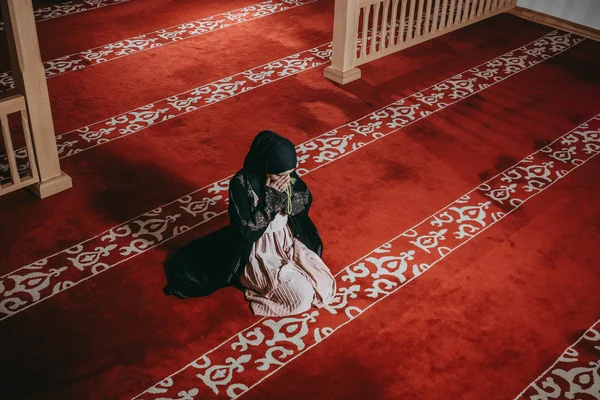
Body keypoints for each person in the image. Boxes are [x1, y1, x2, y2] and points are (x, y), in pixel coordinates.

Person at [163, 130, 336, 317]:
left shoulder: (286, 176)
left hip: (287, 241)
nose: (287, 179)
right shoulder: (241, 183)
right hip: (256, 250)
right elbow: (247, 232)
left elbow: (303, 202)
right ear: (264, 166)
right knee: (300, 299)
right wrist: (270, 202)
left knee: (325, 287)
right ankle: (251, 283)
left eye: (290, 173)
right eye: (281, 174)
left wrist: (287, 197)